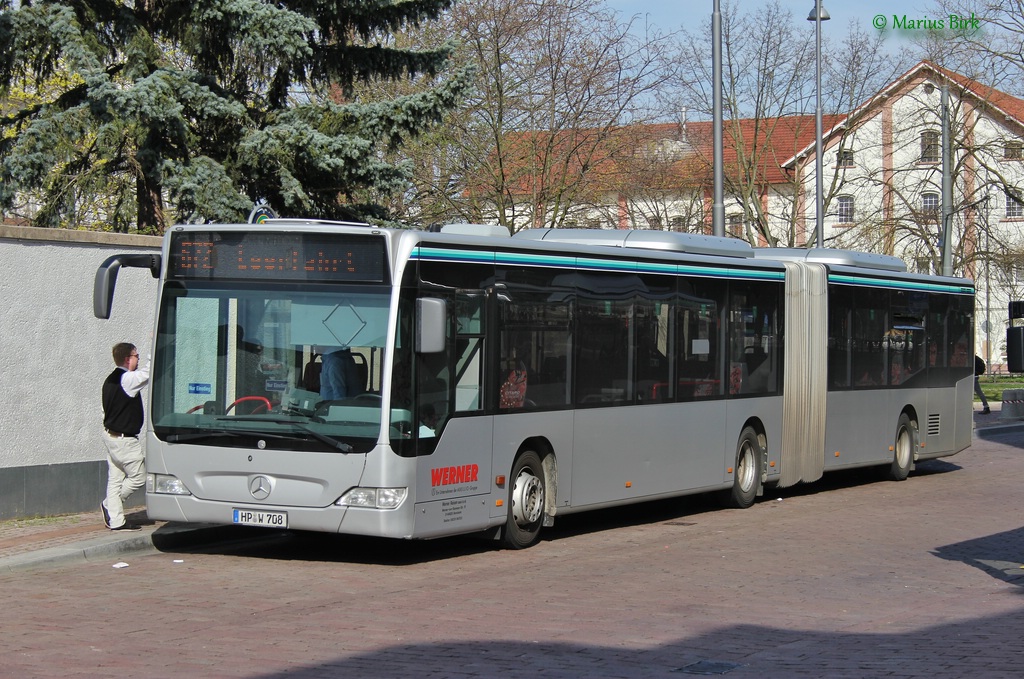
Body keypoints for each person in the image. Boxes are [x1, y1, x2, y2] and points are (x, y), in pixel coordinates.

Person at [100, 342, 150, 531]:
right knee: (139, 476)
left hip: (110, 437)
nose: (138, 359)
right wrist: (155, 344)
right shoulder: (126, 379)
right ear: (128, 359)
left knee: (115, 479)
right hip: (124, 440)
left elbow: (104, 410)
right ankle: (111, 504)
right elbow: (147, 374)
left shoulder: (109, 380)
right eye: (137, 355)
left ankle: (116, 521)